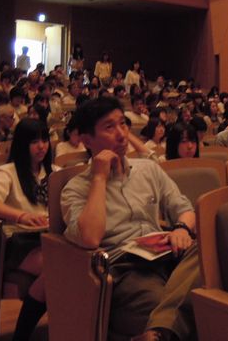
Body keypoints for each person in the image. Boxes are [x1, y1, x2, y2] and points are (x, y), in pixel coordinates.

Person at [61, 97, 201, 341]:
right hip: (127, 270)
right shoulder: (76, 188)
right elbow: (90, 238)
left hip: (167, 255)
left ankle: (158, 331)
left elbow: (184, 208)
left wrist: (181, 228)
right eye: (109, 127)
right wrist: (99, 178)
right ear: (87, 140)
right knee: (188, 310)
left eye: (123, 124)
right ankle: (162, 327)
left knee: (206, 251)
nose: (122, 134)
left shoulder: (148, 169)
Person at [0, 118, 51, 341]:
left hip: (50, 237)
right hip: (19, 241)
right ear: (22, 144)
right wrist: (22, 216)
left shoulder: (54, 172)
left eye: (45, 140)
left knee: (71, 268)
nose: (42, 146)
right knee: (58, 271)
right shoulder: (6, 172)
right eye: (34, 141)